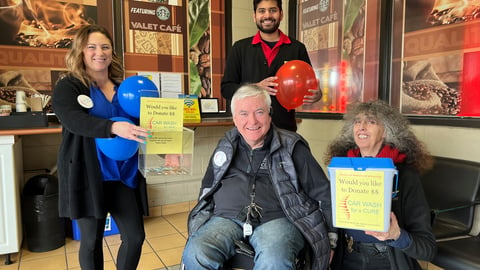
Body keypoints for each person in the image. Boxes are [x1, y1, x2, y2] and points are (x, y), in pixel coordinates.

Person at [181, 84, 336, 270]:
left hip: (278, 219)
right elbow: (208, 185)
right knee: (196, 253)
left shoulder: (292, 146)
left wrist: (331, 237)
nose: (252, 121)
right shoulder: (226, 144)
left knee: (274, 260)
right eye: (244, 113)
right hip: (226, 217)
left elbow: (323, 192)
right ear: (235, 118)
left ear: (270, 113)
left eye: (259, 112)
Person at [52, 24, 150, 270]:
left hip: (122, 176)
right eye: (92, 47)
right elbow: (72, 119)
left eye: (105, 47)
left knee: (135, 237)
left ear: (112, 52)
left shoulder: (124, 88)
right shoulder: (70, 86)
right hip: (88, 175)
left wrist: (165, 140)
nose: (100, 52)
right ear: (81, 52)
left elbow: (143, 122)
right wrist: (113, 128)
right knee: (91, 241)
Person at [324, 100, 436, 270]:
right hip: (346, 255)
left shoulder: (405, 176)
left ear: (386, 131)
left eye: (371, 121)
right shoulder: (342, 170)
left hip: (385, 259)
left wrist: (396, 235)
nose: (361, 126)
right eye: (357, 121)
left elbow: (427, 250)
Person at [221, 0, 322, 132]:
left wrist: (317, 95)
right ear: (254, 16)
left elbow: (309, 85)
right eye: (262, 11)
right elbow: (226, 89)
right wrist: (255, 87)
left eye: (272, 10)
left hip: (285, 130)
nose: (267, 15)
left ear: (281, 14)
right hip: (250, 132)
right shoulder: (240, 48)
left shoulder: (297, 48)